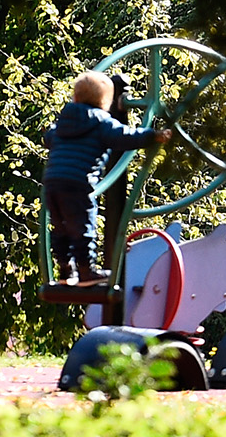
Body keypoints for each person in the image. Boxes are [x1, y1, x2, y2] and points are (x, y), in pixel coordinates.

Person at [44, 72, 171, 286]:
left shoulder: (63, 121)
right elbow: (126, 137)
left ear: (75, 98)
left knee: (61, 226)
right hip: (77, 183)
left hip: (52, 182)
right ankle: (86, 271)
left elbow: (49, 138)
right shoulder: (102, 122)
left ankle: (65, 269)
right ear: (105, 102)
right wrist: (154, 136)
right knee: (84, 225)